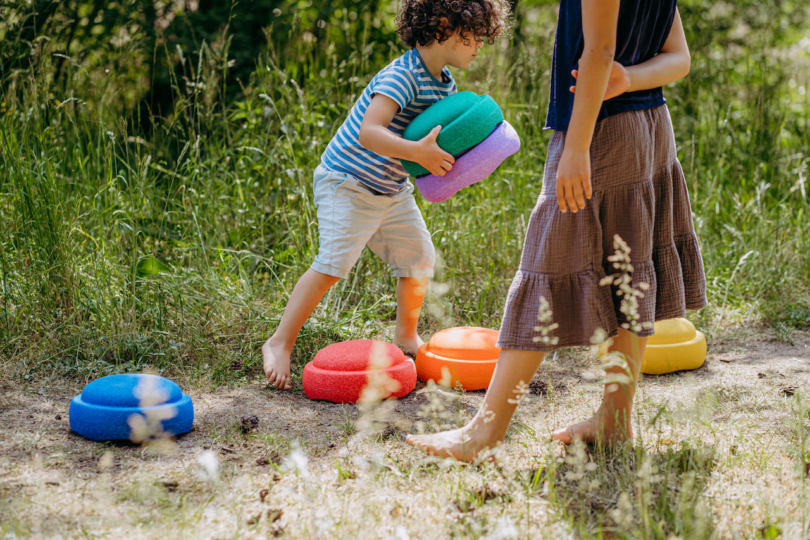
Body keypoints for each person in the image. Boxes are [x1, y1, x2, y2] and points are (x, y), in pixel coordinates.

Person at [408, 0, 707, 460]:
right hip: (648, 128)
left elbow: (600, 50)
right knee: (627, 272)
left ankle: (483, 435)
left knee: (547, 267)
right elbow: (679, 58)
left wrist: (577, 146)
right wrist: (631, 79)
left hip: (601, 132)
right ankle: (615, 419)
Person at [262, 0, 512, 389]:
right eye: (475, 34)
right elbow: (370, 132)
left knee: (419, 257)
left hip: (391, 188)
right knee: (332, 264)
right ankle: (280, 342)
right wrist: (417, 154)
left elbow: (436, 142)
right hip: (347, 180)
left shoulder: (445, 83)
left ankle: (406, 337)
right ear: (445, 25)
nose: (481, 43)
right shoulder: (403, 75)